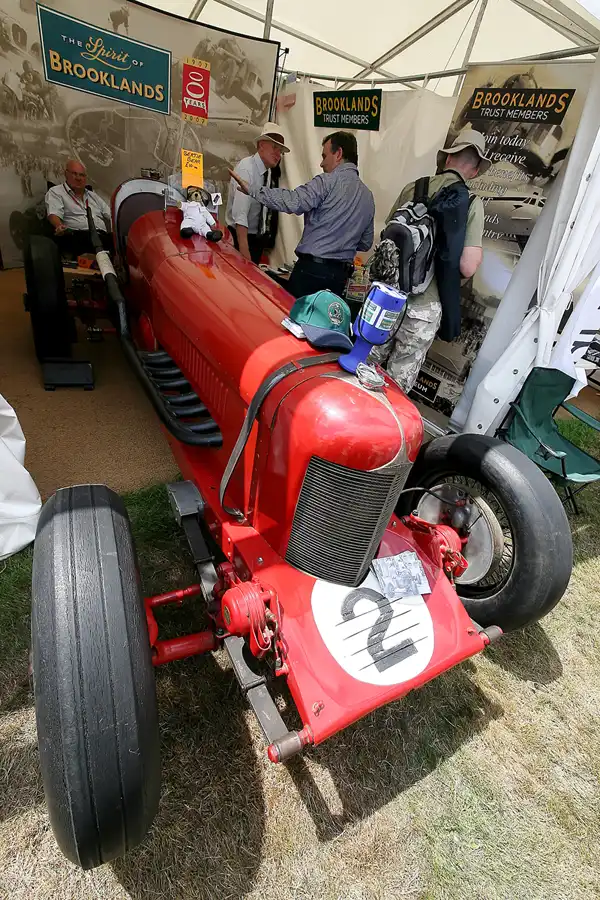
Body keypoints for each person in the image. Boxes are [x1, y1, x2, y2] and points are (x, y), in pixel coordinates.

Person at [371, 129, 489, 394]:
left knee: (366, 363)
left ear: (447, 158)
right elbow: (468, 266)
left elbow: (387, 236)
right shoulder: (472, 203)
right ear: (475, 170)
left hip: (388, 297)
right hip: (423, 308)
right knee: (394, 387)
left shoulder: (415, 187)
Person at [229, 131, 375, 299]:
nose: (321, 163)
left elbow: (293, 201)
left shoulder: (326, 182)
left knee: (292, 314)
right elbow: (365, 243)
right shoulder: (368, 196)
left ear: (338, 154)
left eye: (324, 156)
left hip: (312, 271)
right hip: (340, 277)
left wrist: (253, 190)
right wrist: (342, 237)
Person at [226, 122, 288, 264]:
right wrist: (246, 258)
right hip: (240, 238)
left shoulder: (268, 172)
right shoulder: (247, 169)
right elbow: (240, 218)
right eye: (275, 147)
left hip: (255, 239)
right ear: (261, 145)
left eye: (281, 151)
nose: (278, 155)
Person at [45, 159, 113, 257]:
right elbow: (53, 214)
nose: (78, 178)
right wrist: (59, 226)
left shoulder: (93, 196)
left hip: (102, 237)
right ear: (66, 174)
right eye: (74, 174)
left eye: (82, 175)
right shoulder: (56, 192)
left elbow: (111, 215)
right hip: (78, 236)